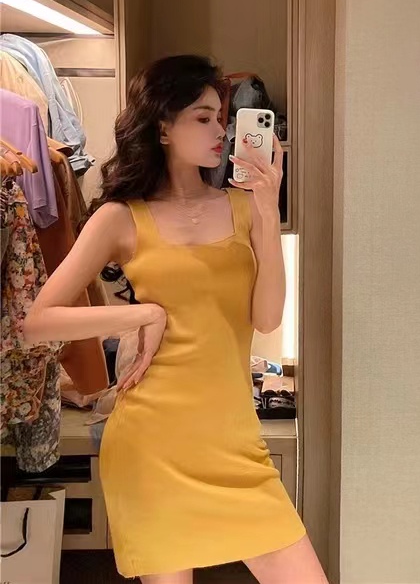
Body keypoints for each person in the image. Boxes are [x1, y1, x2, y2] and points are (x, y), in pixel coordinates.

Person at [23, 55, 329, 584]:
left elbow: (267, 317)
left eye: (222, 118)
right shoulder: (120, 218)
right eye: (202, 117)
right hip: (152, 443)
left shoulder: (244, 208)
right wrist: (142, 314)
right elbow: (36, 323)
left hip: (235, 444)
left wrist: (267, 209)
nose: (220, 131)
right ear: (163, 127)